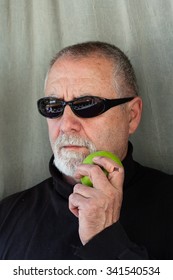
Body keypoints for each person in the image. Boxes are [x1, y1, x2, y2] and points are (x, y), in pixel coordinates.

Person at [0, 41, 173, 260]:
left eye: (87, 104)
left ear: (132, 115)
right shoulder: (7, 215)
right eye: (53, 106)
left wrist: (106, 242)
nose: (65, 124)